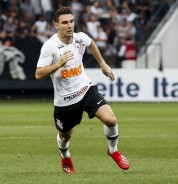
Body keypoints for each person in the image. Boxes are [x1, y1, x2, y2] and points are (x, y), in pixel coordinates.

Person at [35, 7, 130, 174]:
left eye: (71, 21)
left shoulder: (80, 38)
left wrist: (102, 64)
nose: (70, 25)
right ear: (56, 25)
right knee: (66, 135)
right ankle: (65, 156)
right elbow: (38, 74)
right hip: (65, 101)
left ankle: (113, 150)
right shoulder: (49, 47)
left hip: (85, 89)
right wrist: (58, 64)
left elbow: (91, 44)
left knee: (111, 120)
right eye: (65, 22)